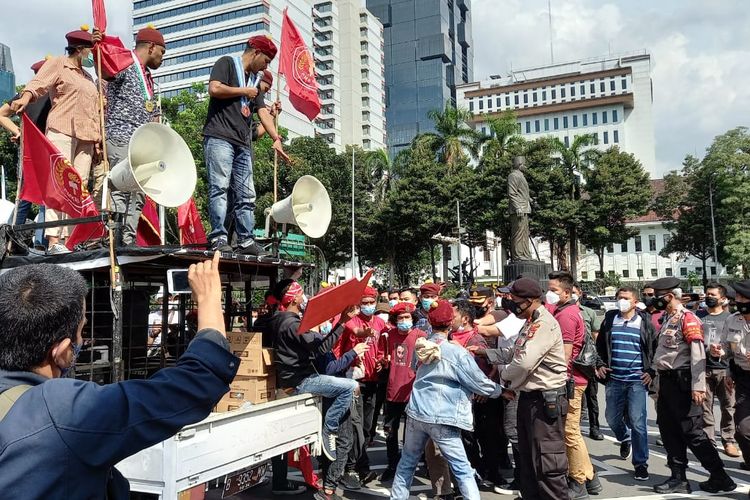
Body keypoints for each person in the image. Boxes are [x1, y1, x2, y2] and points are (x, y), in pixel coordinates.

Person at [0, 251, 239, 496]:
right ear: (61, 352)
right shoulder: (63, 411)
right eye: (82, 330)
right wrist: (209, 299)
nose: (84, 339)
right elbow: (197, 381)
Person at [389, 300, 503, 500]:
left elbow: (416, 369)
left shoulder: (422, 345)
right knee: (462, 468)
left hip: (417, 411)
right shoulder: (455, 351)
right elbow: (478, 382)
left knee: (407, 463)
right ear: (450, 324)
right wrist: (500, 391)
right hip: (443, 416)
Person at [470, 277, 569, 500]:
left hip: (545, 401)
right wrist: (485, 353)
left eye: (514, 300)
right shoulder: (529, 321)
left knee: (548, 462)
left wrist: (503, 377)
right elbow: (514, 352)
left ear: (531, 300)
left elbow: (523, 363)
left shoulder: (543, 324)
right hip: (529, 398)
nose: (510, 304)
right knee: (528, 458)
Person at [11, 27, 100, 254]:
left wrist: (98, 139)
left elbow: (96, 109)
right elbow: (39, 83)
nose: (91, 55)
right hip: (62, 130)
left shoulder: (89, 77)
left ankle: (68, 240)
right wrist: (25, 97)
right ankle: (53, 239)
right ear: (80, 50)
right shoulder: (60, 63)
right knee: (59, 185)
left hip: (87, 137)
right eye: (90, 50)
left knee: (78, 189)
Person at [203, 35, 288, 255]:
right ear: (256, 52)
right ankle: (219, 237)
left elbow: (262, 113)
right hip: (220, 136)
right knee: (219, 188)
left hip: (242, 143)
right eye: (266, 61)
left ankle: (245, 239)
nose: (266, 66)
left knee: (247, 194)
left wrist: (276, 138)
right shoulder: (227, 63)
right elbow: (214, 89)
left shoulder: (254, 80)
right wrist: (243, 92)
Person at [650, 277, 735, 494]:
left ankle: (720, 476)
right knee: (669, 431)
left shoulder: (688, 319)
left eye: (657, 296)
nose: (653, 299)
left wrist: (698, 386)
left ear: (669, 296)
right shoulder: (669, 318)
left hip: (683, 382)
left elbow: (697, 354)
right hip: (667, 381)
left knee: (693, 433)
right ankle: (678, 477)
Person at [90, 26, 165, 247]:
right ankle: (116, 238)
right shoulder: (125, 63)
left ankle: (129, 239)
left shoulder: (149, 78)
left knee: (140, 192)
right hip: (120, 135)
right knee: (121, 187)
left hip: (142, 143)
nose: (162, 58)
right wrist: (98, 50)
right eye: (161, 52)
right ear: (150, 47)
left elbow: (153, 111)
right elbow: (105, 70)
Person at [270, 279, 360, 462]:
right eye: (301, 292)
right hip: (301, 380)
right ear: (294, 298)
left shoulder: (279, 320)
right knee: (350, 386)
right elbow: (321, 348)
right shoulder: (293, 324)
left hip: (290, 379)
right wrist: (342, 322)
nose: (304, 296)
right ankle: (329, 429)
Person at [594, 286, 657, 481]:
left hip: (636, 381)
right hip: (614, 379)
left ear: (635, 301)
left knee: (638, 422)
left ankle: (640, 463)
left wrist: (651, 371)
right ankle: (624, 437)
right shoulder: (611, 320)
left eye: (626, 298)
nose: (622, 301)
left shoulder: (644, 322)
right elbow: (600, 347)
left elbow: (654, 349)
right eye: (619, 297)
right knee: (612, 418)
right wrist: (600, 364)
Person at [546, 271, 599, 499]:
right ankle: (591, 477)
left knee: (570, 432)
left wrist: (557, 379)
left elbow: (565, 354)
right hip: (572, 379)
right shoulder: (564, 310)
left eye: (554, 290)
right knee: (570, 431)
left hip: (570, 381)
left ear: (567, 292)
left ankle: (578, 480)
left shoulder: (566, 315)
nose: (549, 294)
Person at [334, 286, 386, 488]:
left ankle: (361, 465)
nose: (367, 306)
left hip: (373, 379)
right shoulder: (350, 320)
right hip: (353, 380)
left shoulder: (381, 323)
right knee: (354, 427)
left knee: (365, 426)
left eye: (371, 302)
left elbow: (382, 347)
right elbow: (350, 337)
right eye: (363, 303)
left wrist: (383, 359)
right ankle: (352, 468)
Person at [0, 57, 51, 251]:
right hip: (45, 148)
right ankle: (40, 242)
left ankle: (10, 241)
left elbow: (1, 114)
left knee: (24, 196)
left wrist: (18, 132)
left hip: (28, 148)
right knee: (46, 198)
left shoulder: (24, 95)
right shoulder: (51, 94)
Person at [379, 302, 426, 482]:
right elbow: (383, 357)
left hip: (413, 390)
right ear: (395, 320)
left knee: (411, 432)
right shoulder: (388, 335)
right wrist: (382, 361)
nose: (404, 321)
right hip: (393, 390)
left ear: (413, 319)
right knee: (390, 430)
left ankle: (408, 465)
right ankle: (392, 463)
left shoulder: (420, 336)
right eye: (400, 318)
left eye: (407, 318)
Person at [711, 280, 750, 470]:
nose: (739, 301)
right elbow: (726, 347)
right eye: (738, 297)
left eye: (743, 298)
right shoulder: (733, 319)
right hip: (743, 379)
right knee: (742, 429)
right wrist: (720, 352)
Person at [698, 283, 739, 457]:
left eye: (713, 294)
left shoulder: (730, 318)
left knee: (728, 407)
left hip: (725, 369)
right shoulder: (698, 316)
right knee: (704, 407)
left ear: (723, 299)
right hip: (703, 368)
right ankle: (709, 441)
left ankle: (728, 440)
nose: (709, 297)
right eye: (707, 294)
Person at [574, 283, 604, 441]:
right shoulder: (560, 313)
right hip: (572, 360)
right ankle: (574, 427)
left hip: (587, 359)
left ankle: (594, 427)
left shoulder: (589, 313)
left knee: (592, 396)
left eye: (574, 292)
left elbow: (596, 338)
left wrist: (597, 362)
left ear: (579, 293)